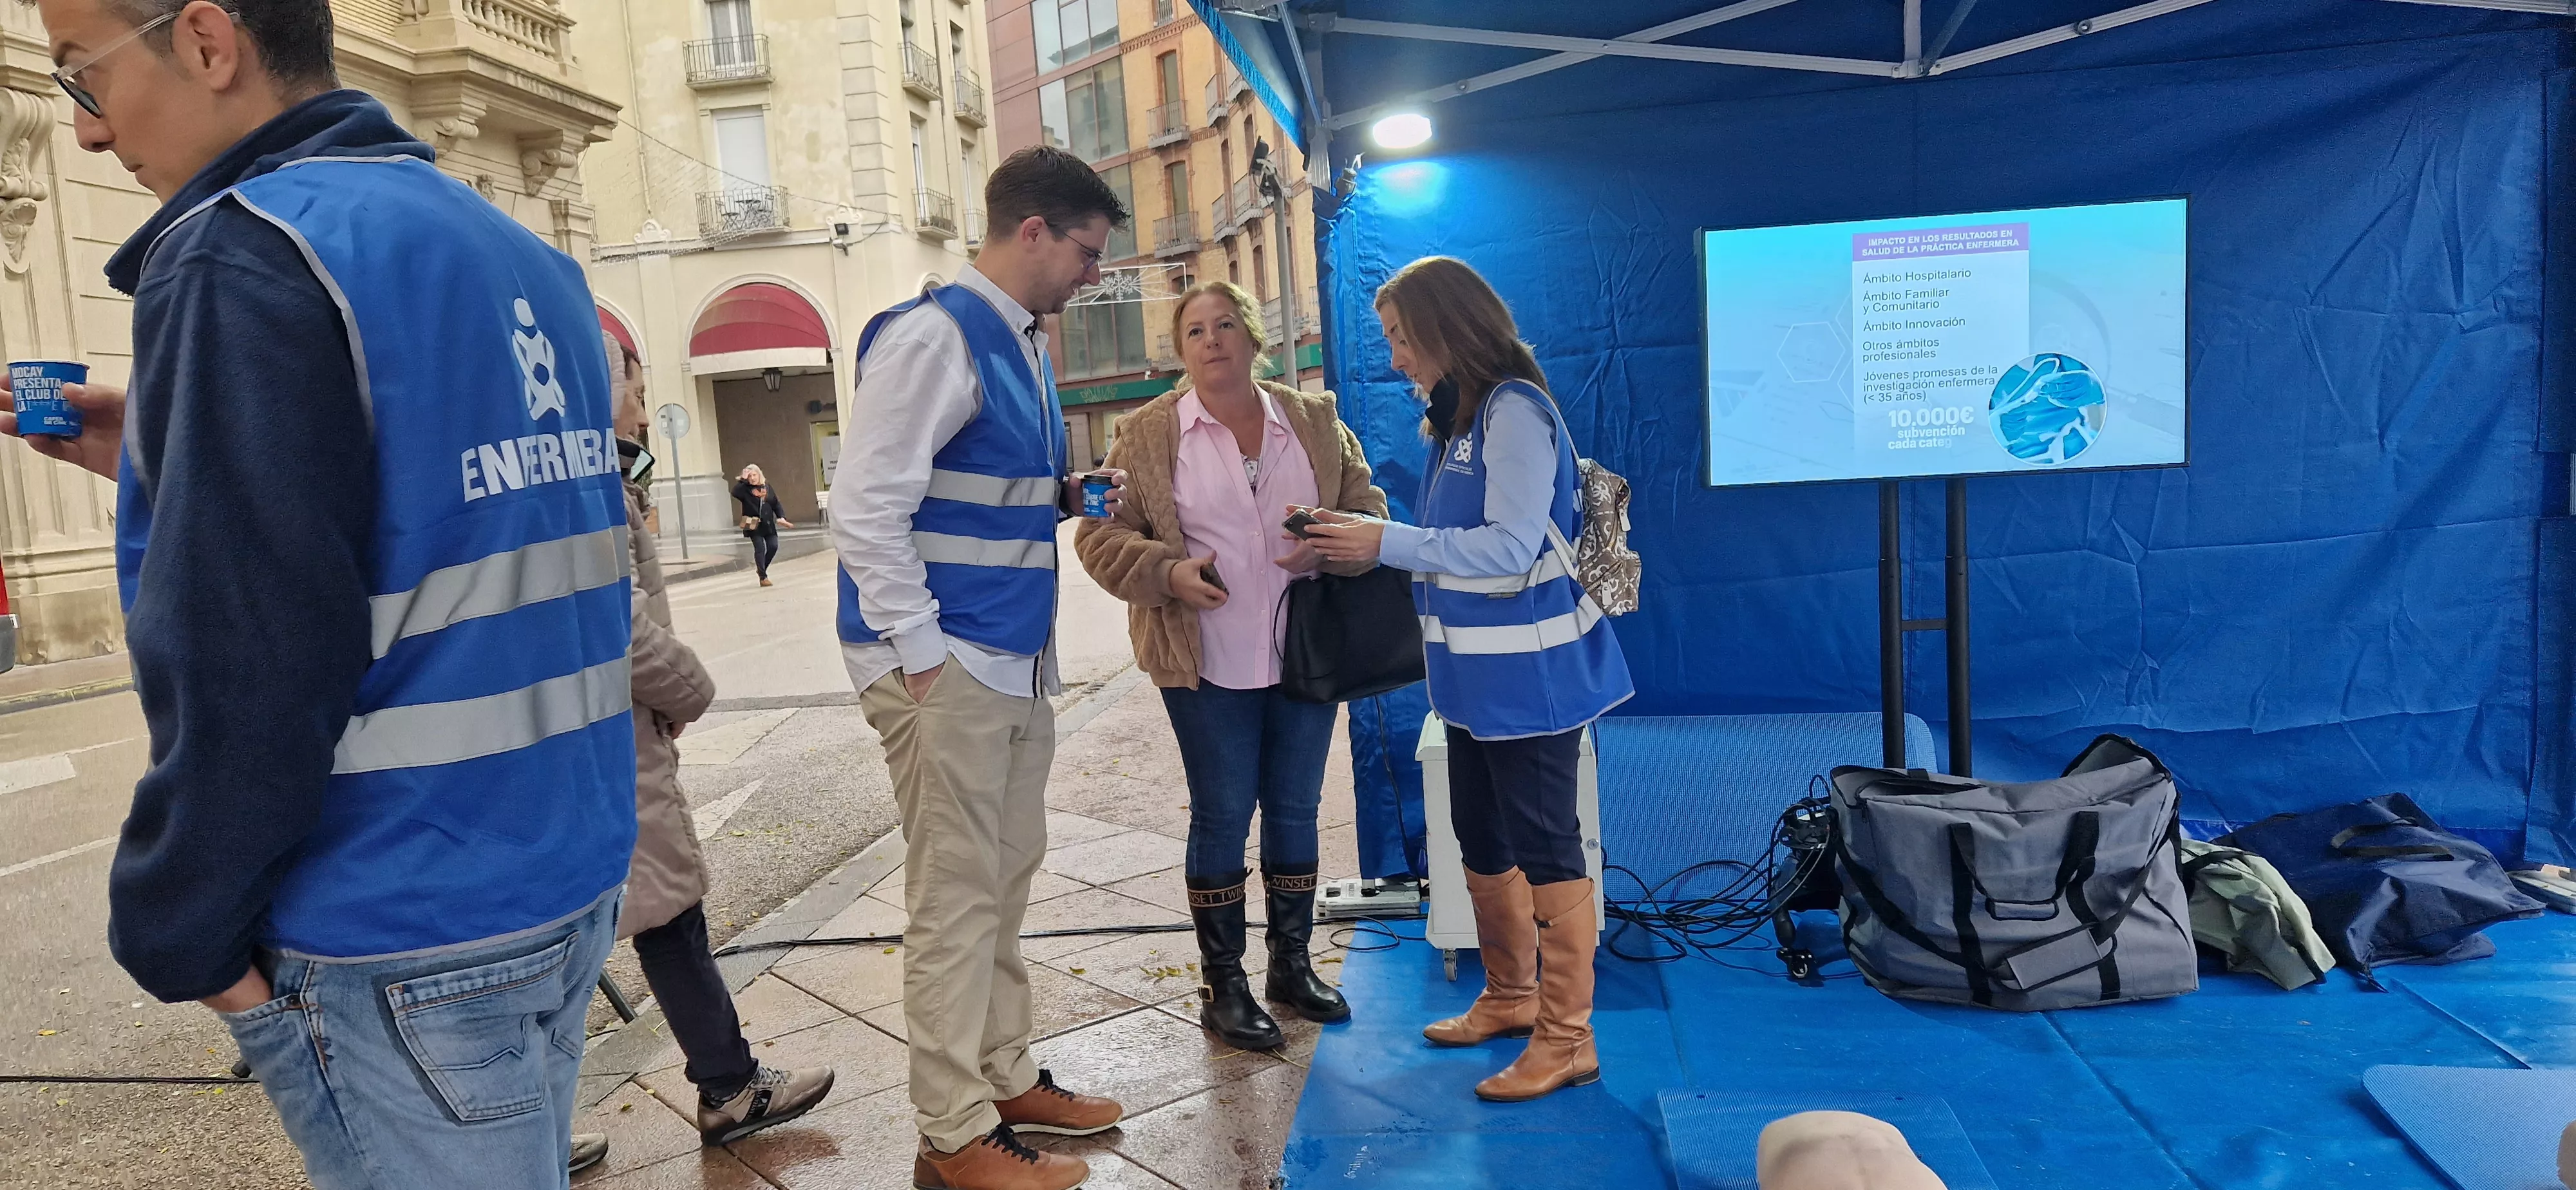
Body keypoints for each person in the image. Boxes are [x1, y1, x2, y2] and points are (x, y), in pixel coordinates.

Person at [1, 1, 636, 1183]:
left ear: (205, 39)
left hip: (398, 918)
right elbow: (463, 507)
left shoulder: (239, 250)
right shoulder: (517, 253)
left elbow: (246, 651)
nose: (86, 133)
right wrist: (173, 443)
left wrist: (179, 923)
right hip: (565, 870)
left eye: (84, 79)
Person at [829, 145, 1132, 1190]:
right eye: (1087, 251)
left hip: (1006, 659)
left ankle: (1002, 1076)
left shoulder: (1013, 343)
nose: (1095, 274)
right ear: (1034, 231)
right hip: (952, 664)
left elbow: (973, 493)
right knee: (958, 896)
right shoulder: (935, 335)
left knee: (1000, 876)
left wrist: (1066, 493)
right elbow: (860, 508)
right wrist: (920, 655)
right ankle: (954, 1129)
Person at [1305, 256, 1635, 1104]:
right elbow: (1462, 545)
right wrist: (1379, 537)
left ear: (1448, 328)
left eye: (1401, 338)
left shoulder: (1514, 412)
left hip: (1533, 684)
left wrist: (1384, 544)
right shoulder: (1457, 423)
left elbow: (1512, 547)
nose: (1395, 359)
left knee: (1546, 846)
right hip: (1473, 685)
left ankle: (1568, 1038)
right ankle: (1513, 995)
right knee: (1481, 842)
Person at [1073, 281, 1385, 1051]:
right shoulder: (1147, 434)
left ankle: (1291, 965)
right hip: (1203, 662)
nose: (1210, 340)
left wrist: (1330, 543)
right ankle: (1224, 985)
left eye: (1223, 325)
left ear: (1252, 336)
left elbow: (1369, 508)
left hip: (1304, 656)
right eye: (1193, 331)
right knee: (1221, 814)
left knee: (1295, 809)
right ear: (1181, 350)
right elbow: (1098, 537)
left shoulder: (1313, 420)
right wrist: (1168, 574)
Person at [573, 337, 833, 1166]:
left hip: (604, 731)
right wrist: (688, 690)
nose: (644, 409)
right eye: (635, 388)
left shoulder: (591, 473)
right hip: (614, 734)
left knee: (607, 923)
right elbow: (619, 624)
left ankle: (715, 1081)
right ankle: (728, 1085)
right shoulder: (587, 484)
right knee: (655, 916)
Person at [732, 463, 792, 586]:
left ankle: (761, 569)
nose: (752, 478)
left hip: (768, 524)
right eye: (750, 476)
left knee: (773, 546)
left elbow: (776, 503)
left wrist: (781, 517)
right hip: (753, 525)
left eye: (754, 475)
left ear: (759, 474)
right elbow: (735, 492)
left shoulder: (767, 487)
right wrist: (743, 480)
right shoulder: (744, 489)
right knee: (760, 548)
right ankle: (763, 577)